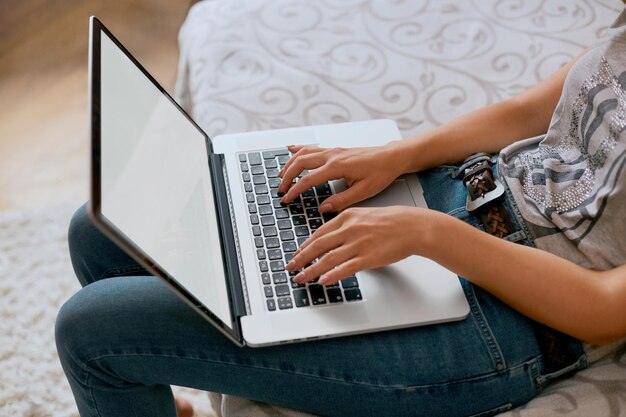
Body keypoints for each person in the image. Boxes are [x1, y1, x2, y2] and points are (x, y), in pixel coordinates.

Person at [56, 7, 626, 417]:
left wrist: (429, 233)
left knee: (92, 331)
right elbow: (528, 109)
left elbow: (603, 310)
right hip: (460, 192)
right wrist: (392, 156)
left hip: (511, 324)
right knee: (99, 232)